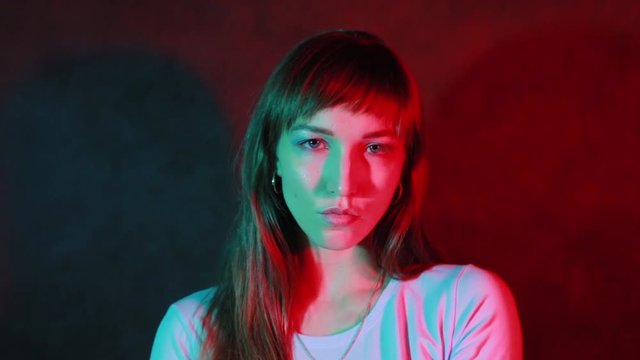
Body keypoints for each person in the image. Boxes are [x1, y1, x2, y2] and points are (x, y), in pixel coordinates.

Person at [150, 30, 522, 360]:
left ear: (404, 168)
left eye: (374, 148)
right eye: (314, 143)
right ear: (274, 157)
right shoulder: (193, 334)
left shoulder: (461, 307)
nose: (342, 183)